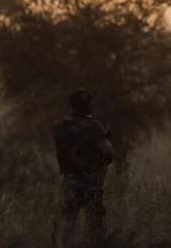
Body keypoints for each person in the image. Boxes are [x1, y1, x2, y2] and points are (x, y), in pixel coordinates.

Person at [53, 89, 114, 248]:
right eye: (90, 103)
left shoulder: (60, 126)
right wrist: (103, 139)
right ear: (86, 106)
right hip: (91, 183)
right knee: (95, 226)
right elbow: (108, 153)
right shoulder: (93, 125)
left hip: (70, 181)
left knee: (66, 223)